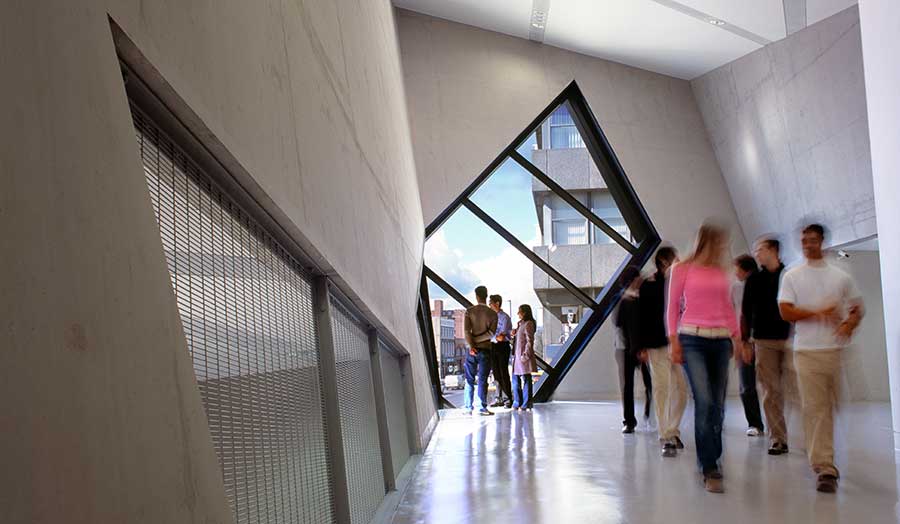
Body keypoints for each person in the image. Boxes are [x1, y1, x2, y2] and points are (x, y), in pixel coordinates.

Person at [778, 224, 863, 493]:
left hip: (833, 350)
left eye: (813, 240)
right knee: (816, 409)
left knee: (832, 406)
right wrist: (818, 313)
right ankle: (825, 467)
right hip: (806, 352)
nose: (808, 244)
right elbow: (786, 312)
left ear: (822, 241)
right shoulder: (792, 275)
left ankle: (822, 454)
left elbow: (857, 308)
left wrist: (848, 324)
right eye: (804, 240)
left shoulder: (840, 275)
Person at [667, 222, 739, 494]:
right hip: (692, 338)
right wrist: (674, 341)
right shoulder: (682, 269)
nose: (723, 247)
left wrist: (738, 339)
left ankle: (714, 456)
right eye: (719, 241)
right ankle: (709, 466)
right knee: (705, 401)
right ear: (706, 241)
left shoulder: (723, 272)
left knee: (718, 405)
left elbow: (729, 307)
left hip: (721, 341)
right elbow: (672, 307)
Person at [743, 237, 794, 456]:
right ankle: (778, 438)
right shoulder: (754, 279)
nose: (757, 254)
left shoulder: (788, 276)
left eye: (760, 249)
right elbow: (745, 311)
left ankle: (804, 436)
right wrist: (745, 341)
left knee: (794, 390)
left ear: (774, 250)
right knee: (771, 390)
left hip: (790, 338)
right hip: (763, 340)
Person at [640, 246, 688, 457]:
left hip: (676, 343)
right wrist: (642, 346)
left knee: (682, 391)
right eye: (675, 260)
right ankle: (665, 434)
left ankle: (673, 429)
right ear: (664, 263)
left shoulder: (681, 284)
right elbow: (642, 318)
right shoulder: (649, 286)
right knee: (662, 389)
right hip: (657, 344)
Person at [615, 268, 653, 434]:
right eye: (637, 278)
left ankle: (647, 413)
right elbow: (620, 325)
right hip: (626, 349)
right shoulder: (624, 300)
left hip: (640, 348)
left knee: (649, 383)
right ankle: (629, 421)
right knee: (628, 386)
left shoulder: (639, 298)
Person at [732, 254, 766, 438]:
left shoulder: (760, 285)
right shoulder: (735, 288)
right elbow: (732, 314)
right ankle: (754, 423)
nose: (734, 272)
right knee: (746, 385)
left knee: (768, 385)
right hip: (742, 340)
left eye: (736, 268)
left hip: (760, 339)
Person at [464, 286, 499, 416]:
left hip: (471, 350)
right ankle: (482, 407)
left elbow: (467, 331)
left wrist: (472, 344)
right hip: (485, 349)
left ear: (476, 296)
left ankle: (468, 407)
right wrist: (479, 340)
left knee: (469, 379)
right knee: (483, 379)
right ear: (486, 295)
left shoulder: (469, 311)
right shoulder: (492, 314)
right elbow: (491, 333)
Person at [511, 304, 538, 411]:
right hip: (517, 357)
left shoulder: (528, 324)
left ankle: (526, 403)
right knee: (516, 379)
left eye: (519, 311)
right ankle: (518, 402)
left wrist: (525, 355)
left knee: (526, 379)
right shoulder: (520, 324)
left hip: (522, 357)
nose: (518, 313)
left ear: (525, 312)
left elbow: (529, 341)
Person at [488, 295, 513, 408]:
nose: (489, 305)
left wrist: (493, 336)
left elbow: (502, 337)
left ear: (497, 303)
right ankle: (499, 398)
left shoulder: (505, 318)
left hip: (502, 347)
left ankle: (508, 398)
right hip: (493, 347)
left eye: (491, 303)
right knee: (496, 374)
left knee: (503, 372)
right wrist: (494, 337)